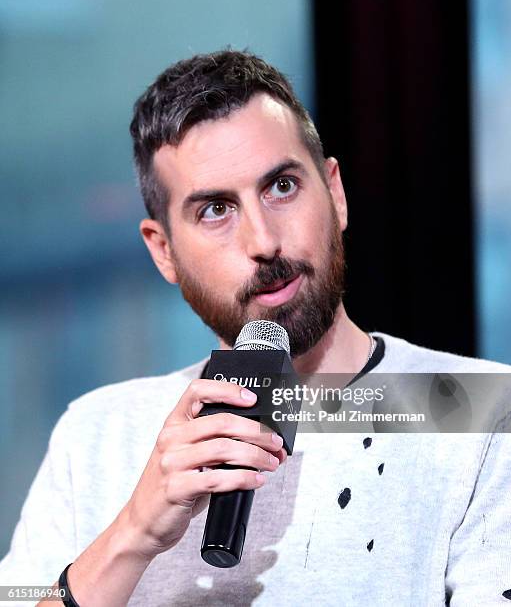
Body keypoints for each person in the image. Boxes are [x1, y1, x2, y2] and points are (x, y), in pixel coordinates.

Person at [0, 49, 510, 607]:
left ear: (334, 194)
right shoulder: (96, 434)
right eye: (215, 210)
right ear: (163, 251)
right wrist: (133, 535)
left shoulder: (483, 411)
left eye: (282, 187)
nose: (263, 241)